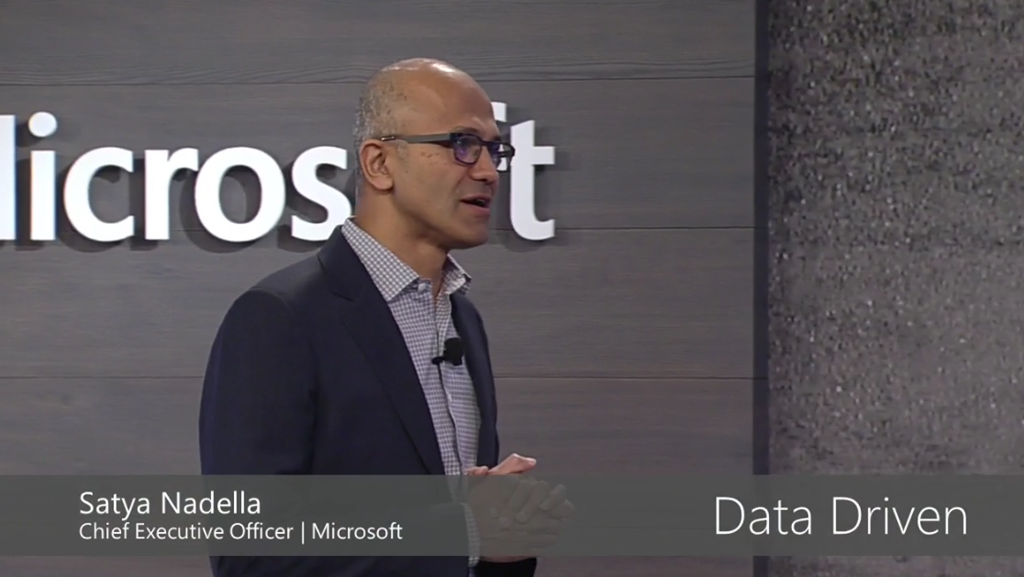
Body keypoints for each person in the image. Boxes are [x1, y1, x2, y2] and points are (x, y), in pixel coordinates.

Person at [198, 58, 570, 577]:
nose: (487, 171)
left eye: (495, 150)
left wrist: (508, 536)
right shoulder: (280, 318)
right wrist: (462, 531)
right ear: (379, 164)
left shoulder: (463, 317)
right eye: (462, 144)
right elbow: (249, 553)